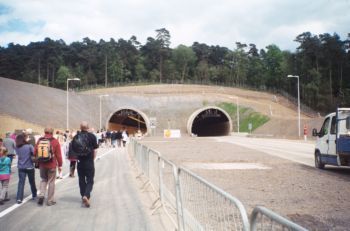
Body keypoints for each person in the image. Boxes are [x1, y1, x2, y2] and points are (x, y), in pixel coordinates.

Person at [34, 127, 62, 206]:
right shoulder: (55, 141)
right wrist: (60, 165)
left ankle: (42, 194)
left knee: (43, 179)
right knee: (51, 182)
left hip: (42, 165)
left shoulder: (40, 140)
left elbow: (35, 151)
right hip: (52, 164)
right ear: (52, 132)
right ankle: (50, 201)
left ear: (44, 131)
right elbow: (58, 155)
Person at [74, 121, 98, 208]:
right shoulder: (92, 136)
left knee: (81, 179)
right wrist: (93, 158)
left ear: (80, 128)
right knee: (90, 180)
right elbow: (95, 149)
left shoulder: (76, 136)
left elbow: (73, 150)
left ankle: (83, 195)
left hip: (80, 162)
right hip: (89, 162)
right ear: (88, 127)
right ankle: (86, 195)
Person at [15, 134, 37, 204]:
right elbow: (34, 153)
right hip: (29, 166)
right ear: (24, 139)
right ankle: (34, 195)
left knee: (21, 183)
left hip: (21, 167)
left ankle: (19, 198)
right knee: (32, 182)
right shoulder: (29, 146)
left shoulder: (17, 147)